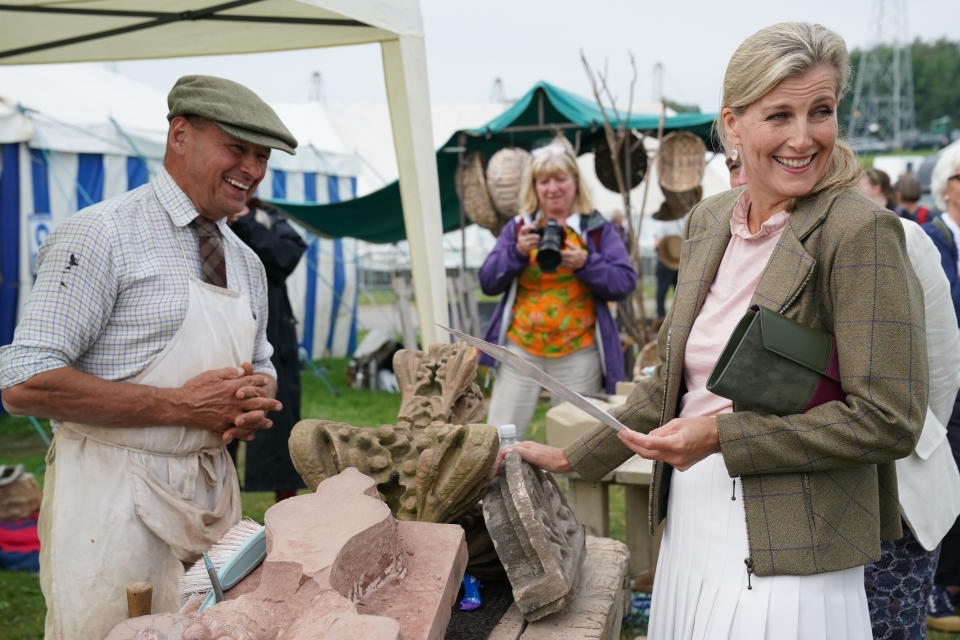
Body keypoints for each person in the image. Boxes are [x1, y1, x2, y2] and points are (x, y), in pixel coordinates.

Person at [499, 22, 926, 639]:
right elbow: (672, 381)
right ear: (733, 126)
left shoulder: (859, 233)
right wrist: (573, 455)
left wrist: (723, 437)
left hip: (793, 542)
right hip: (692, 520)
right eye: (779, 115)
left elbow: (890, 417)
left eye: (821, 111)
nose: (804, 138)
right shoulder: (710, 220)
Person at [0, 75, 297, 640]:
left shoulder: (247, 261)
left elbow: (263, 366)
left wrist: (253, 400)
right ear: (180, 135)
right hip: (111, 505)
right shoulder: (100, 234)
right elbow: (23, 381)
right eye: (237, 149)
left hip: (213, 497)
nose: (253, 170)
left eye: (262, 157)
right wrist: (182, 406)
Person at [479, 141, 636, 439]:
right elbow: (487, 281)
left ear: (576, 182)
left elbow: (624, 282)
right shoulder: (519, 228)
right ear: (534, 187)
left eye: (560, 179)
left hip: (578, 352)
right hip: (520, 348)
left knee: (574, 442)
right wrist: (516, 251)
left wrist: (586, 262)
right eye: (544, 181)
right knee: (500, 437)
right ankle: (500, 486)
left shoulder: (596, 228)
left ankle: (565, 488)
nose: (553, 188)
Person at [228, 196, 308, 503]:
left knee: (278, 428)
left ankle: (285, 514)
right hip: (226, 334)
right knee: (223, 429)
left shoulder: (267, 216)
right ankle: (222, 514)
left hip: (273, 336)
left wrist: (246, 219)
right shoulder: (205, 218)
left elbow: (286, 256)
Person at [921, 141, 960, 631]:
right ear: (947, 187)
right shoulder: (931, 238)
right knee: (949, 476)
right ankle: (941, 586)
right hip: (947, 383)